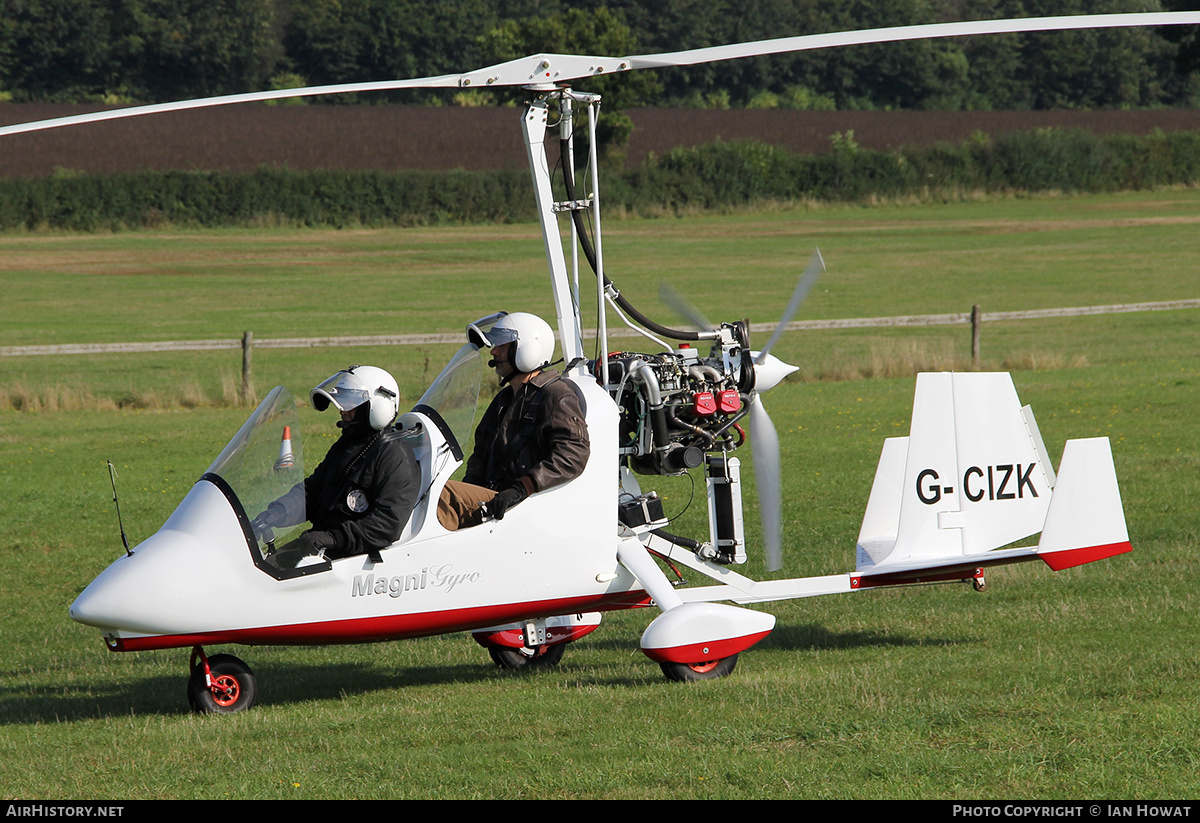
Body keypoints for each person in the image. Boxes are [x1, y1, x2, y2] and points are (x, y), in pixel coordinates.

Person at [254, 365, 420, 568]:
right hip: (324, 546)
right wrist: (276, 513)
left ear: (376, 407)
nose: (342, 410)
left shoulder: (395, 456)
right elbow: (313, 492)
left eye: (351, 404)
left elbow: (387, 525)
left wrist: (331, 538)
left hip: (356, 558)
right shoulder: (348, 445)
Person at [437, 312, 590, 530]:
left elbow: (573, 455)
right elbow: (481, 451)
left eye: (502, 345)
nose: (494, 351)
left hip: (522, 503)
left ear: (528, 350)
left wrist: (523, 487)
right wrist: (470, 488)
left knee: (442, 495)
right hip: (495, 498)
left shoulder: (557, 395)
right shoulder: (505, 398)